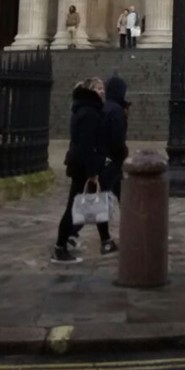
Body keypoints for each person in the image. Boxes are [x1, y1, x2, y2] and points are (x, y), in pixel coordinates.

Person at [52, 77, 118, 263]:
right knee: (72, 206)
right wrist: (93, 173)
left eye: (103, 87)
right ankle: (60, 247)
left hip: (79, 163)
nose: (102, 91)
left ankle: (78, 239)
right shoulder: (89, 112)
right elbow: (87, 145)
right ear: (90, 91)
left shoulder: (85, 108)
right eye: (98, 88)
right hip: (82, 166)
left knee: (78, 204)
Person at [101, 75, 129, 201]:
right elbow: (118, 138)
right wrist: (123, 154)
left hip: (102, 157)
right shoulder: (117, 111)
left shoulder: (103, 107)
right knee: (119, 193)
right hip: (113, 160)